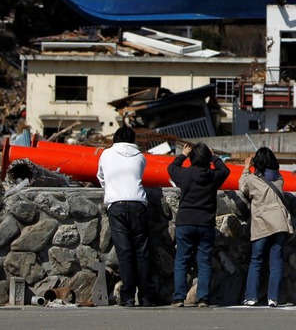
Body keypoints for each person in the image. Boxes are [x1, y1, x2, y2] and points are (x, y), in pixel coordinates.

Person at [97, 125, 154, 307]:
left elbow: (100, 176)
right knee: (142, 252)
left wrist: (110, 189)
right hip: (138, 203)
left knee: (125, 252)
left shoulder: (106, 155)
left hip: (116, 204)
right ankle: (146, 297)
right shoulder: (141, 157)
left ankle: (128, 297)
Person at [168, 142, 230, 307]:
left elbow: (171, 168)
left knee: (181, 260)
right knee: (204, 262)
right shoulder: (213, 176)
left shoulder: (185, 174)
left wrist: (183, 155)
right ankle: (203, 298)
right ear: (208, 159)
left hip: (185, 221)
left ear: (192, 159)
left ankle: (179, 297)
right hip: (205, 223)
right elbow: (225, 170)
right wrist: (214, 157)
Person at [239, 147, 294, 307]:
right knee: (276, 262)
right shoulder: (279, 178)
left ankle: (251, 297)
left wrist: (246, 167)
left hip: (262, 224)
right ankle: (273, 298)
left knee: (256, 261)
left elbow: (242, 186)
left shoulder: (252, 179)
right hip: (280, 224)